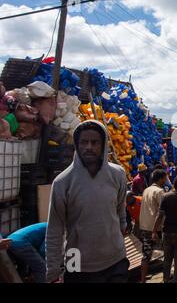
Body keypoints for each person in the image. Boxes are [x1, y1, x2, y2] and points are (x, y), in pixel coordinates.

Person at [46, 120, 129, 283]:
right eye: (84, 142)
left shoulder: (117, 174)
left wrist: (120, 232)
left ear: (103, 145)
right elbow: (54, 230)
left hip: (115, 259)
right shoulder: (62, 182)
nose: (89, 147)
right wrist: (53, 272)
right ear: (77, 145)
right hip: (75, 260)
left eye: (94, 142)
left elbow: (120, 211)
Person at [152, 176, 177, 283]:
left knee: (167, 259)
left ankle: (165, 279)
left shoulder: (165, 197)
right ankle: (175, 280)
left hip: (167, 232)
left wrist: (154, 231)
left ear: (174, 185)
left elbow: (159, 216)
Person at [139, 169, 167, 283]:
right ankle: (167, 276)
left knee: (146, 255)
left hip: (145, 226)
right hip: (156, 227)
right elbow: (162, 211)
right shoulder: (160, 192)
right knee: (167, 252)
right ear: (160, 179)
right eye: (165, 178)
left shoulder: (146, 190)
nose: (166, 180)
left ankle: (142, 280)